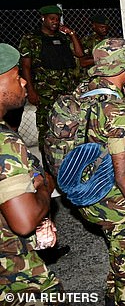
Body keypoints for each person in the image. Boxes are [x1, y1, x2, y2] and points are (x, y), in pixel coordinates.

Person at [64, 38, 125, 306]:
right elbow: (124, 174)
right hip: (114, 200)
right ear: (122, 67)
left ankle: (111, 296)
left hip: (86, 190)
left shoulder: (83, 92)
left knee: (117, 252)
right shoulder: (117, 110)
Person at [0, 43, 63, 302]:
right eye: (17, 77)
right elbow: (24, 221)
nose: (25, 82)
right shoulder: (4, 143)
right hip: (19, 281)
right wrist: (43, 187)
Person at [19, 5, 84, 154]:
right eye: (52, 18)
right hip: (45, 92)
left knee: (71, 124)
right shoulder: (31, 39)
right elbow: (26, 67)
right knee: (46, 127)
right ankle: (47, 166)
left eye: (57, 18)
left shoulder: (63, 37)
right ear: (43, 18)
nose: (55, 21)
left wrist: (72, 34)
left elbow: (79, 54)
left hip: (67, 90)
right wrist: (31, 90)